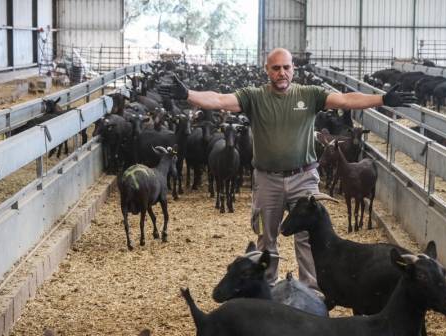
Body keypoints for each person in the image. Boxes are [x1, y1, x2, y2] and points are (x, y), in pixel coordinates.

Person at [158, 48, 416, 289]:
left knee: (307, 236)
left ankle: (312, 288)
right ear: (266, 70)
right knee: (266, 236)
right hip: (267, 180)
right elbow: (219, 100)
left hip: (303, 178)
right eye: (276, 68)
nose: (282, 73)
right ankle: (268, 285)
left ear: (293, 69)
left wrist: (382, 98)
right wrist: (188, 95)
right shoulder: (254, 97)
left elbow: (347, 99)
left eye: (286, 67)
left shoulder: (310, 94)